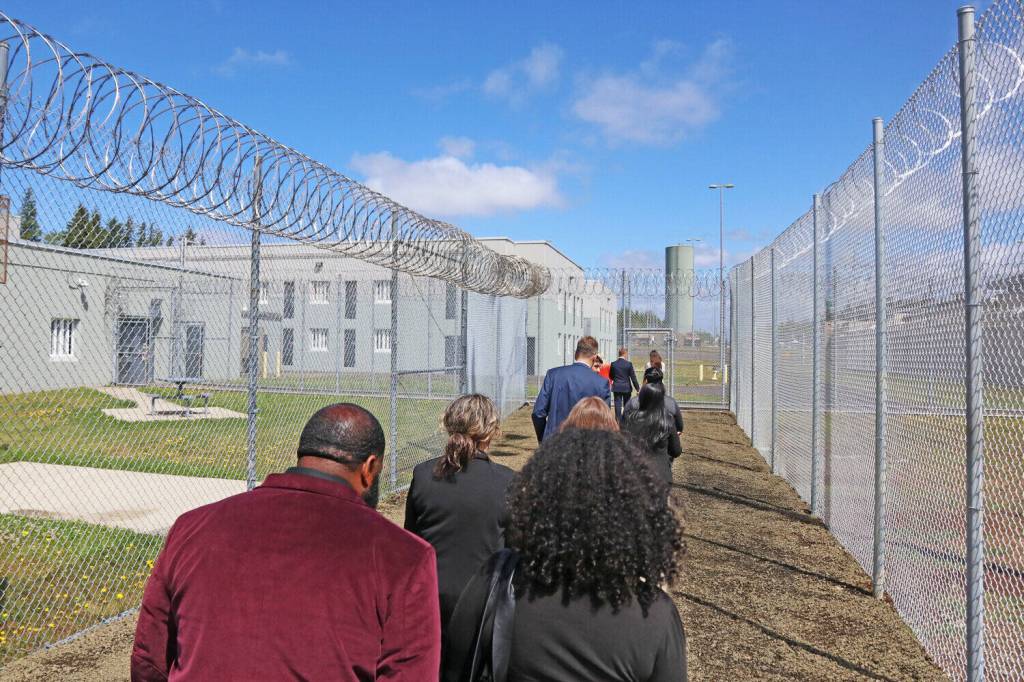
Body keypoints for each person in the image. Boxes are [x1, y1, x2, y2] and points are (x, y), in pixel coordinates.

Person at [132, 404, 440, 681]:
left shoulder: (191, 528)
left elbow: (150, 661)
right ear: (370, 468)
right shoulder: (405, 557)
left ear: (303, 454)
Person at [442, 429, 686, 681]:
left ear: (539, 503)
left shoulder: (498, 579)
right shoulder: (655, 615)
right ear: (635, 516)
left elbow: (454, 668)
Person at [404, 394, 515, 632]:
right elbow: (515, 550)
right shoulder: (507, 481)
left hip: (429, 598)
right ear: (491, 432)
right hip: (483, 604)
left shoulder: (423, 475)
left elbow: (411, 540)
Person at [531, 336, 611, 442]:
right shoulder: (601, 383)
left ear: (576, 354)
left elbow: (538, 413)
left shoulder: (553, 375)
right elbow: (604, 420)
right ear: (594, 357)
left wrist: (544, 439)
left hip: (554, 444)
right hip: (585, 446)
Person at [622, 382, 682, 483]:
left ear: (641, 398)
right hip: (661, 475)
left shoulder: (630, 418)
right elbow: (676, 451)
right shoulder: (667, 420)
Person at [623, 367, 684, 436]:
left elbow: (623, 426)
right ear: (661, 381)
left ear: (645, 381)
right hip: (664, 444)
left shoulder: (633, 403)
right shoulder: (671, 403)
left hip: (637, 444)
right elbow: (679, 428)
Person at [609, 347, 640, 421]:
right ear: (625, 354)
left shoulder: (613, 364)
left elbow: (611, 375)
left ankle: (618, 421)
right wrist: (638, 389)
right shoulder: (628, 364)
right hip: (626, 387)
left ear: (619, 354)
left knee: (617, 404)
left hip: (617, 387)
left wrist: (616, 380)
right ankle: (626, 421)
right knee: (626, 405)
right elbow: (633, 378)